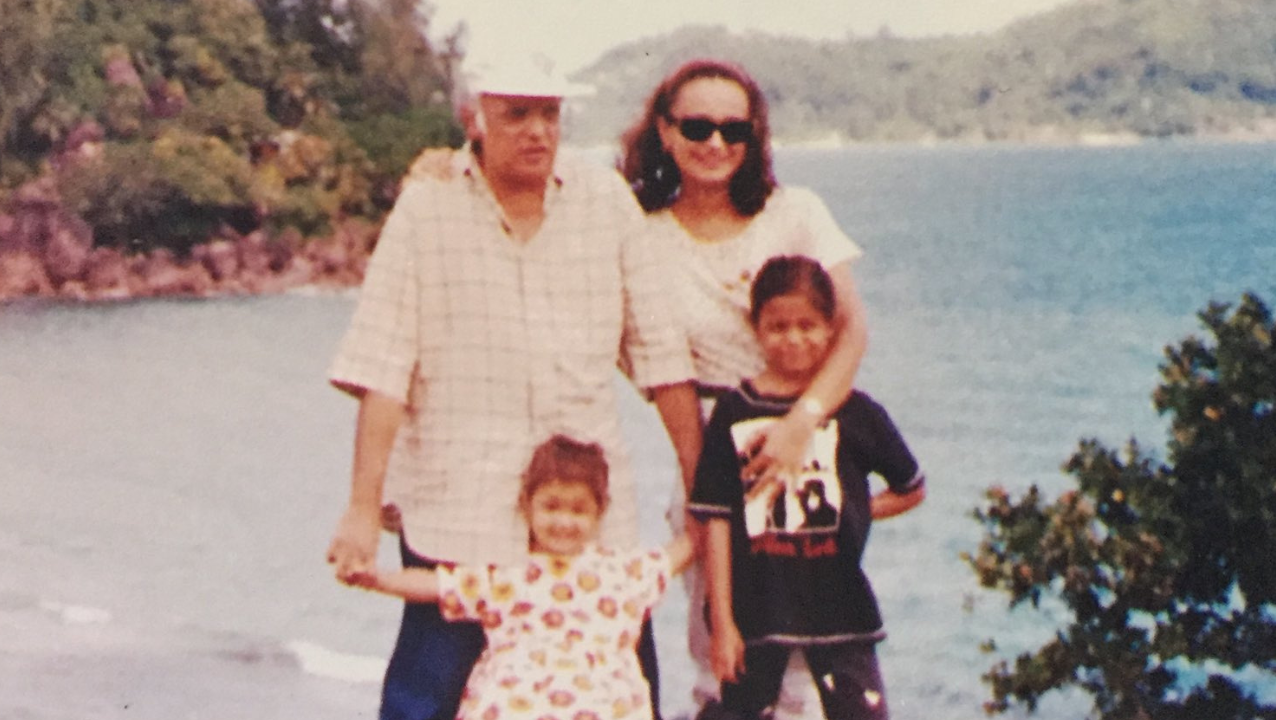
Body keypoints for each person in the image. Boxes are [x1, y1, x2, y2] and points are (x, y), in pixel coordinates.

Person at [326, 59, 702, 720]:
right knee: (425, 699)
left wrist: (703, 486)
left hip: (584, 514)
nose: (536, 132)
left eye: (549, 115)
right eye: (516, 114)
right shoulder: (428, 206)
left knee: (614, 695)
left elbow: (661, 356)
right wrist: (361, 508)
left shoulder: (604, 202)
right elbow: (384, 367)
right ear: (476, 117)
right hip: (458, 509)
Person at [617, 59, 870, 714]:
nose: (715, 144)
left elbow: (851, 333)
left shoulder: (797, 213)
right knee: (726, 659)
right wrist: (714, 494)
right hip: (710, 454)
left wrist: (801, 422)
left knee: (820, 660)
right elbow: (663, 372)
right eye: (697, 126)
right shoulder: (642, 238)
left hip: (808, 452)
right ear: (664, 133)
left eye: (734, 129)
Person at [688, 256, 926, 720]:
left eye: (807, 325)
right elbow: (716, 518)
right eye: (777, 326)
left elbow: (911, 487)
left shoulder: (856, 413)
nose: (793, 338)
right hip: (756, 609)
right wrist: (722, 621)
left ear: (831, 327)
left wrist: (852, 508)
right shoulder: (735, 411)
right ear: (754, 325)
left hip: (839, 606)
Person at [353, 435, 697, 720]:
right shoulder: (507, 572)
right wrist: (377, 579)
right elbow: (436, 586)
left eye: (578, 510)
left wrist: (722, 497)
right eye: (551, 506)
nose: (563, 521)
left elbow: (686, 547)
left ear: (600, 511)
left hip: (603, 704)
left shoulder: (624, 571)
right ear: (527, 505)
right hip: (517, 703)